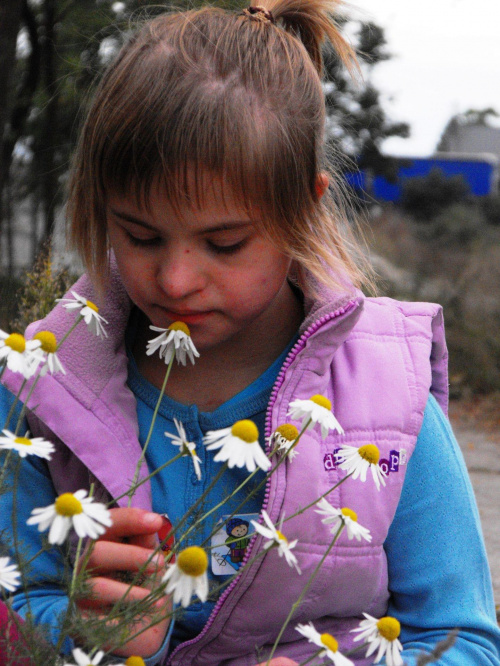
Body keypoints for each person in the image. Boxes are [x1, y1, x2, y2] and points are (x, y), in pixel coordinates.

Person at [0, 0, 499, 664]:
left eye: (224, 243)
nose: (176, 280)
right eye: (140, 235)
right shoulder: (44, 388)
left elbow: (462, 639)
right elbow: (16, 604)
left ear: (304, 210)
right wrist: (82, 623)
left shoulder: (390, 404)